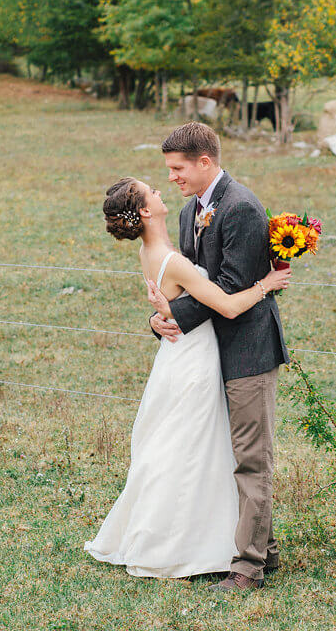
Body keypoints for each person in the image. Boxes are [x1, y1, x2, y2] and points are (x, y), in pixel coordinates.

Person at [84, 175, 290, 579]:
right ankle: (186, 542)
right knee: (196, 451)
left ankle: (228, 540)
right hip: (193, 361)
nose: (162, 189)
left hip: (180, 357)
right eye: (153, 192)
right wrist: (266, 284)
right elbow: (228, 306)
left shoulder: (152, 252)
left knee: (181, 447)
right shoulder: (173, 258)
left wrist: (164, 314)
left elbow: (177, 303)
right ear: (144, 210)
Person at [150, 122, 290, 592]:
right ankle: (265, 551)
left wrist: (174, 314)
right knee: (228, 454)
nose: (171, 177)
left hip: (248, 351)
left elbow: (230, 287)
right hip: (210, 352)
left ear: (204, 162)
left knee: (252, 460)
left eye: (177, 168)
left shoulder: (243, 208)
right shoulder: (195, 207)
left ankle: (248, 567)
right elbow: (195, 280)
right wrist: (161, 319)